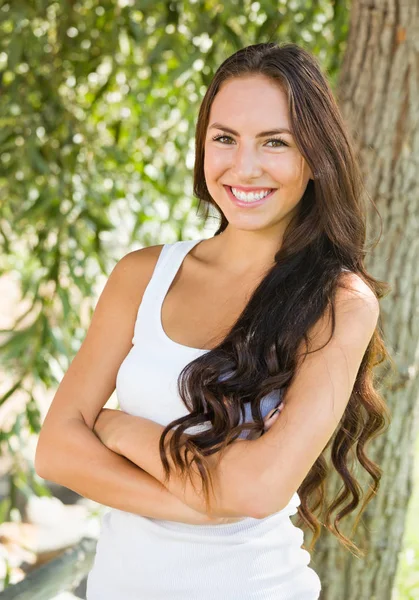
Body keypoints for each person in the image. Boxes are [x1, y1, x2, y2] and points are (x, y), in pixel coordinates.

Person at [35, 42, 390, 599]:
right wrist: (200, 503)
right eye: (224, 138)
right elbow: (55, 449)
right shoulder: (142, 275)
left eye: (275, 143)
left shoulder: (339, 302)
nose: (243, 167)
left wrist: (117, 428)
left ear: (316, 157)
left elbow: (257, 490)